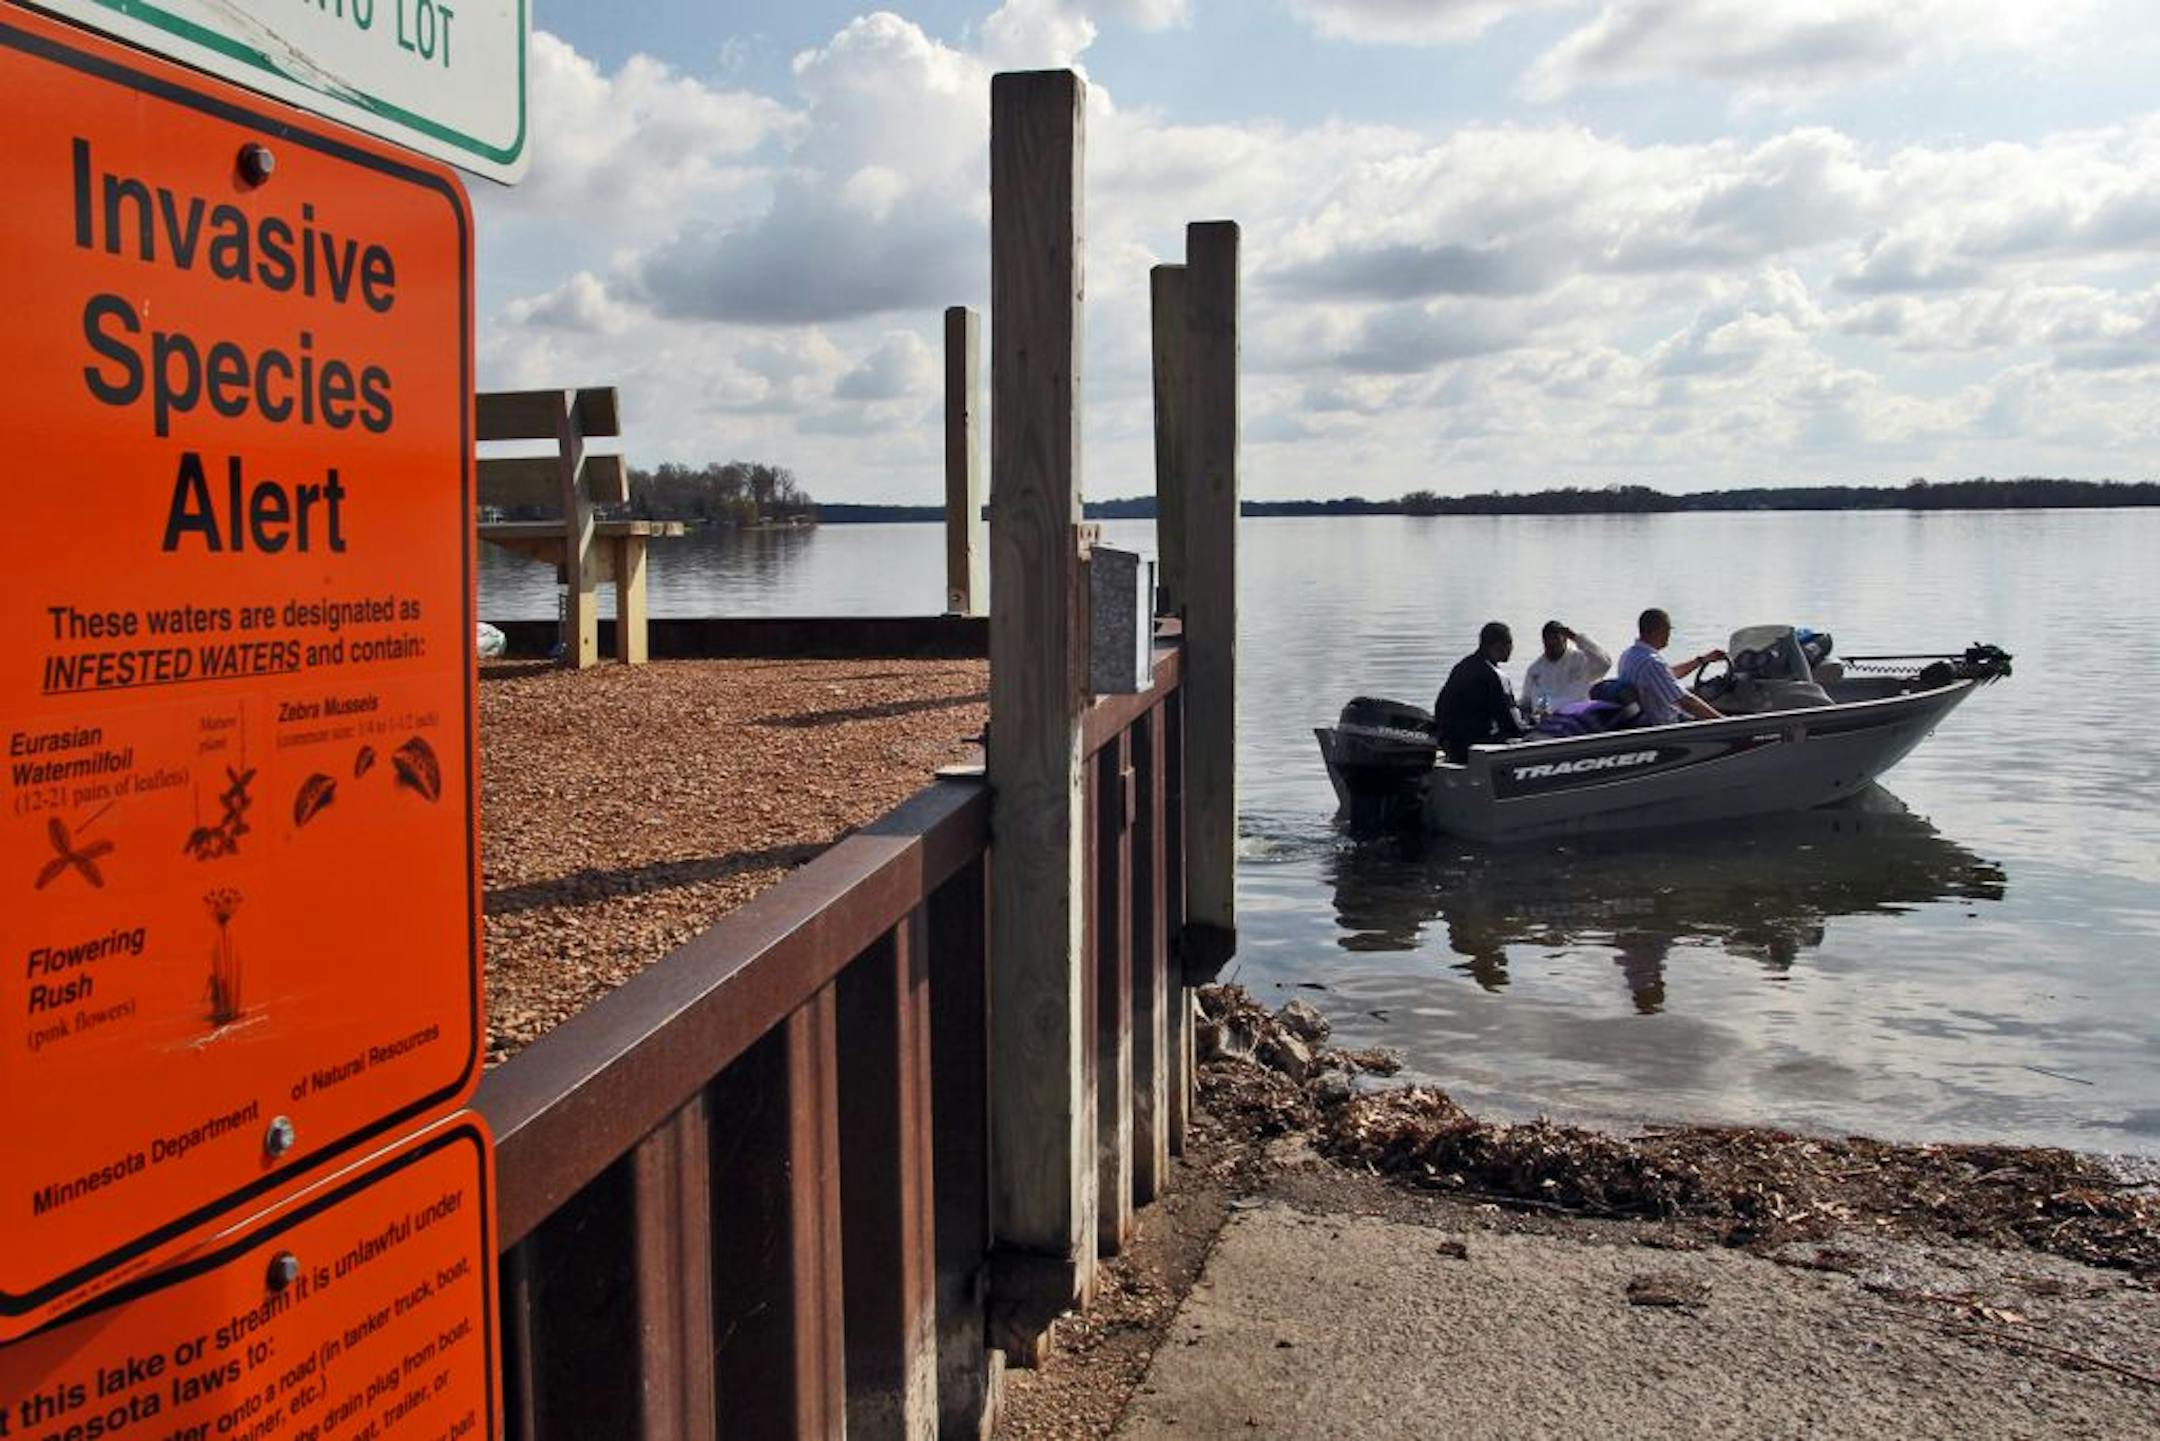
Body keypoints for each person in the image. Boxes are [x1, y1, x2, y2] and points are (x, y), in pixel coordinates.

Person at [1434, 621, 1526, 762]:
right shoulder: (1495, 675)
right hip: (1476, 748)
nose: (1512, 648)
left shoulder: (1461, 667)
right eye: (1510, 643)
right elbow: (1511, 724)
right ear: (1499, 645)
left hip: (1451, 745)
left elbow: (1440, 706)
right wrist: (1534, 727)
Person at [1616, 608, 1725, 726]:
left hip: (1646, 721)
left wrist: (1702, 660)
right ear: (1660, 631)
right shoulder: (1652, 663)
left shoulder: (1630, 655)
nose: (1669, 635)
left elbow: (1668, 675)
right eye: (1668, 630)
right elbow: (1687, 702)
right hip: (1664, 727)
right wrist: (1726, 723)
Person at [1521, 621, 1611, 713]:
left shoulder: (1581, 660)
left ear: (1565, 639)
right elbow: (1526, 701)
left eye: (1556, 640)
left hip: (1575, 717)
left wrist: (1576, 638)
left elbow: (1605, 664)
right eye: (1548, 642)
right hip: (1545, 719)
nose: (1552, 644)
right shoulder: (1535, 669)